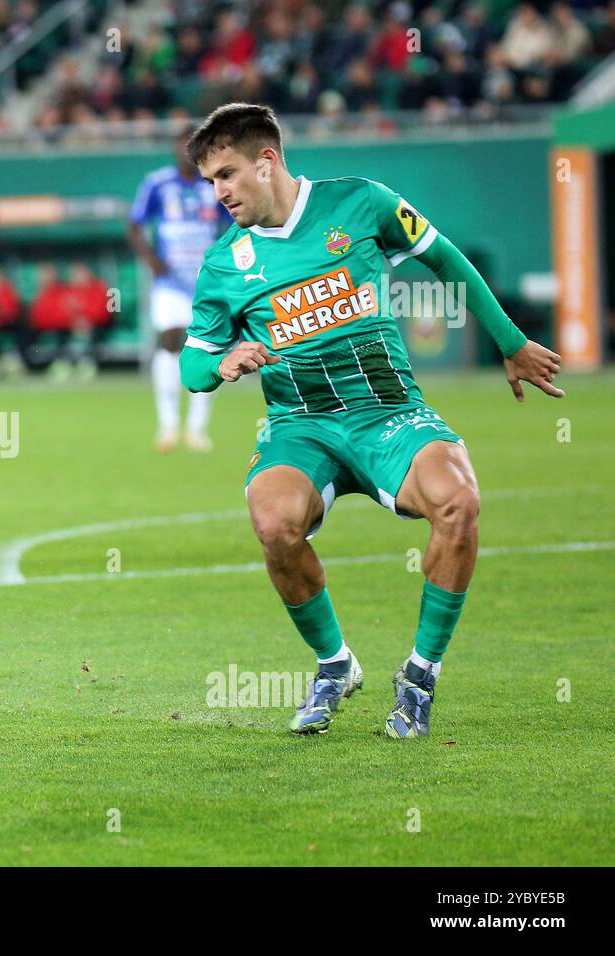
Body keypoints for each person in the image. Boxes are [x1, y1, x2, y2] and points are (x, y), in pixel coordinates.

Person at [180, 103, 563, 738]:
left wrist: (510, 341)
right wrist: (223, 362)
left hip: (389, 411)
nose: (218, 192)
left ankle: (419, 675)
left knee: (459, 504)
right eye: (210, 181)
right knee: (274, 523)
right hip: (301, 422)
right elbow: (191, 368)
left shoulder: (362, 203)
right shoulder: (225, 264)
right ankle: (334, 665)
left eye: (226, 175)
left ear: (266, 162)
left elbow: (446, 260)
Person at [128, 127, 230, 453]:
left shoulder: (215, 184)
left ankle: (198, 429)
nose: (185, 150)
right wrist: (151, 260)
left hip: (206, 280)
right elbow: (134, 226)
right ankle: (168, 425)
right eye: (181, 144)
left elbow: (234, 225)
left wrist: (224, 264)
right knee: (170, 339)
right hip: (170, 280)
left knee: (207, 347)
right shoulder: (157, 183)